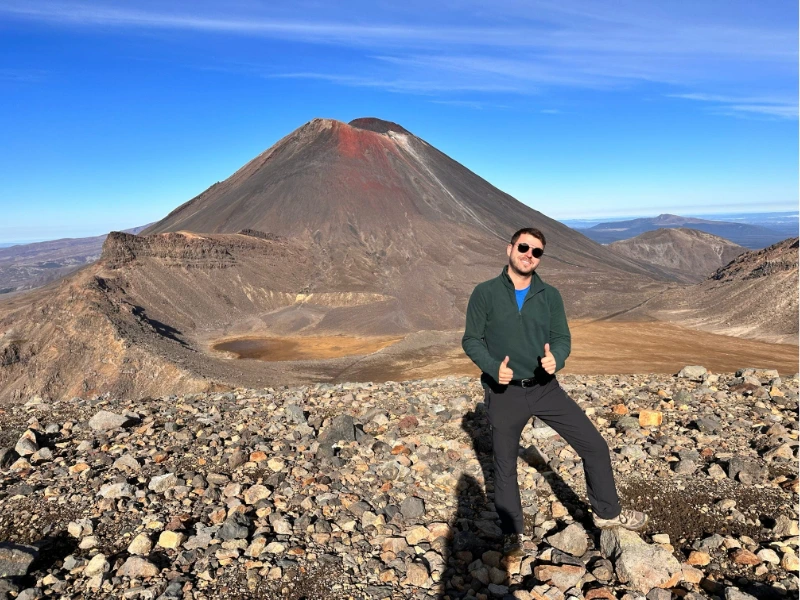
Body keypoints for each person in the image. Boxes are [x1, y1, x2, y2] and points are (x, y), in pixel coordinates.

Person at [462, 227, 648, 556]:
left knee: (594, 446)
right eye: (524, 247)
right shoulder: (485, 293)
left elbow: (562, 338)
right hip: (504, 393)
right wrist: (493, 367)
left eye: (536, 252)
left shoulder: (550, 296)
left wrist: (556, 359)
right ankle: (512, 533)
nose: (529, 255)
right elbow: (471, 339)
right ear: (509, 249)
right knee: (505, 464)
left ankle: (608, 514)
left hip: (546, 388)